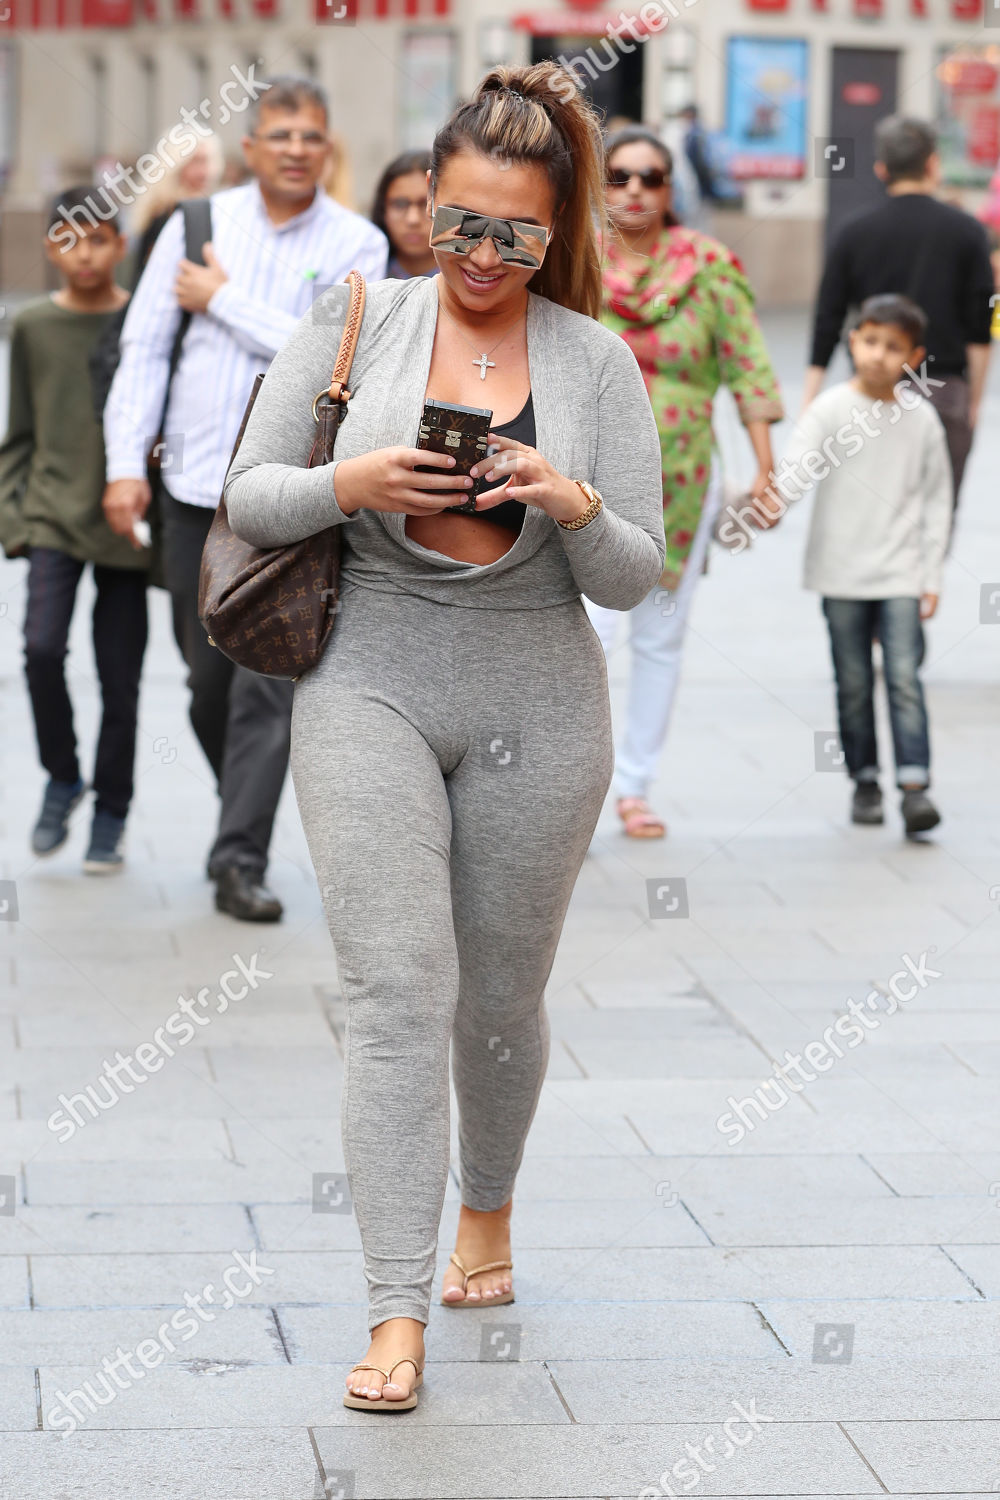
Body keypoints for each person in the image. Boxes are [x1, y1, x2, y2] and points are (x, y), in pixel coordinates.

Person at [222, 62, 664, 1411]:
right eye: (456, 226)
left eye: (513, 235)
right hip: (372, 680)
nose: (478, 257)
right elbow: (248, 487)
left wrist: (571, 500)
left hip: (540, 693)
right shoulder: (355, 313)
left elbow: (638, 574)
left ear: (556, 228)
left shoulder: (594, 360)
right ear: (423, 209)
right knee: (398, 997)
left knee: (500, 1000)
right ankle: (393, 1312)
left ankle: (490, 1205)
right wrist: (354, 479)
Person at [101, 75, 388, 923]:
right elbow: (145, 350)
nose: (297, 149)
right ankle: (247, 800)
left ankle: (239, 856)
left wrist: (222, 299)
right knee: (204, 680)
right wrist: (125, 467)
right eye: (281, 134)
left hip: (289, 493)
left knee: (265, 670)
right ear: (251, 148)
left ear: (327, 150)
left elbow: (337, 358)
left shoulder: (358, 245)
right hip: (190, 486)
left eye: (312, 136)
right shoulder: (195, 227)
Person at [586, 125, 783, 838]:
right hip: (588, 478)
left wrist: (766, 468)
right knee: (588, 634)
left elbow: (748, 366)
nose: (635, 189)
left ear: (672, 189)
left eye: (652, 177)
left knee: (661, 638)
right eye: (621, 176)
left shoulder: (709, 266)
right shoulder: (574, 260)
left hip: (685, 477)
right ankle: (575, 783)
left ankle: (636, 786)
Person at [0, 189, 148, 871]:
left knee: (120, 677)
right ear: (51, 246)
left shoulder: (144, 320)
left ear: (119, 245)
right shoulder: (31, 327)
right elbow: (19, 434)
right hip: (52, 519)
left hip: (125, 525)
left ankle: (112, 811)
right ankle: (63, 777)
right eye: (69, 240)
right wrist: (15, 521)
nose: (83, 254)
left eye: (98, 239)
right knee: (38, 650)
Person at [774, 295, 950, 835]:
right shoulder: (829, 409)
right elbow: (796, 470)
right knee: (852, 681)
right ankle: (865, 779)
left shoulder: (921, 420)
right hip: (841, 570)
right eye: (870, 341)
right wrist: (770, 503)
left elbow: (938, 498)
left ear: (914, 356)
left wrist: (932, 576)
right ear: (853, 341)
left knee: (902, 676)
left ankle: (915, 786)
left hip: (900, 571)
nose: (878, 355)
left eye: (893, 347)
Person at [805, 115, 993, 509]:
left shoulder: (853, 231)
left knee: (870, 512)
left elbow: (827, 318)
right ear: (932, 164)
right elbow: (981, 325)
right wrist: (973, 399)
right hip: (944, 390)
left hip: (871, 394)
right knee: (933, 517)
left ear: (881, 169)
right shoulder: (968, 232)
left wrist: (811, 400)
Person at [128, 134, 225, 287]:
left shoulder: (217, 211)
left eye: (206, 161)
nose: (204, 172)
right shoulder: (163, 215)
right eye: (195, 162)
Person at [371, 149, 438, 278]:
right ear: (383, 210)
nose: (413, 219)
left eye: (425, 204)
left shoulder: (470, 280)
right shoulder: (366, 274)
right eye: (400, 204)